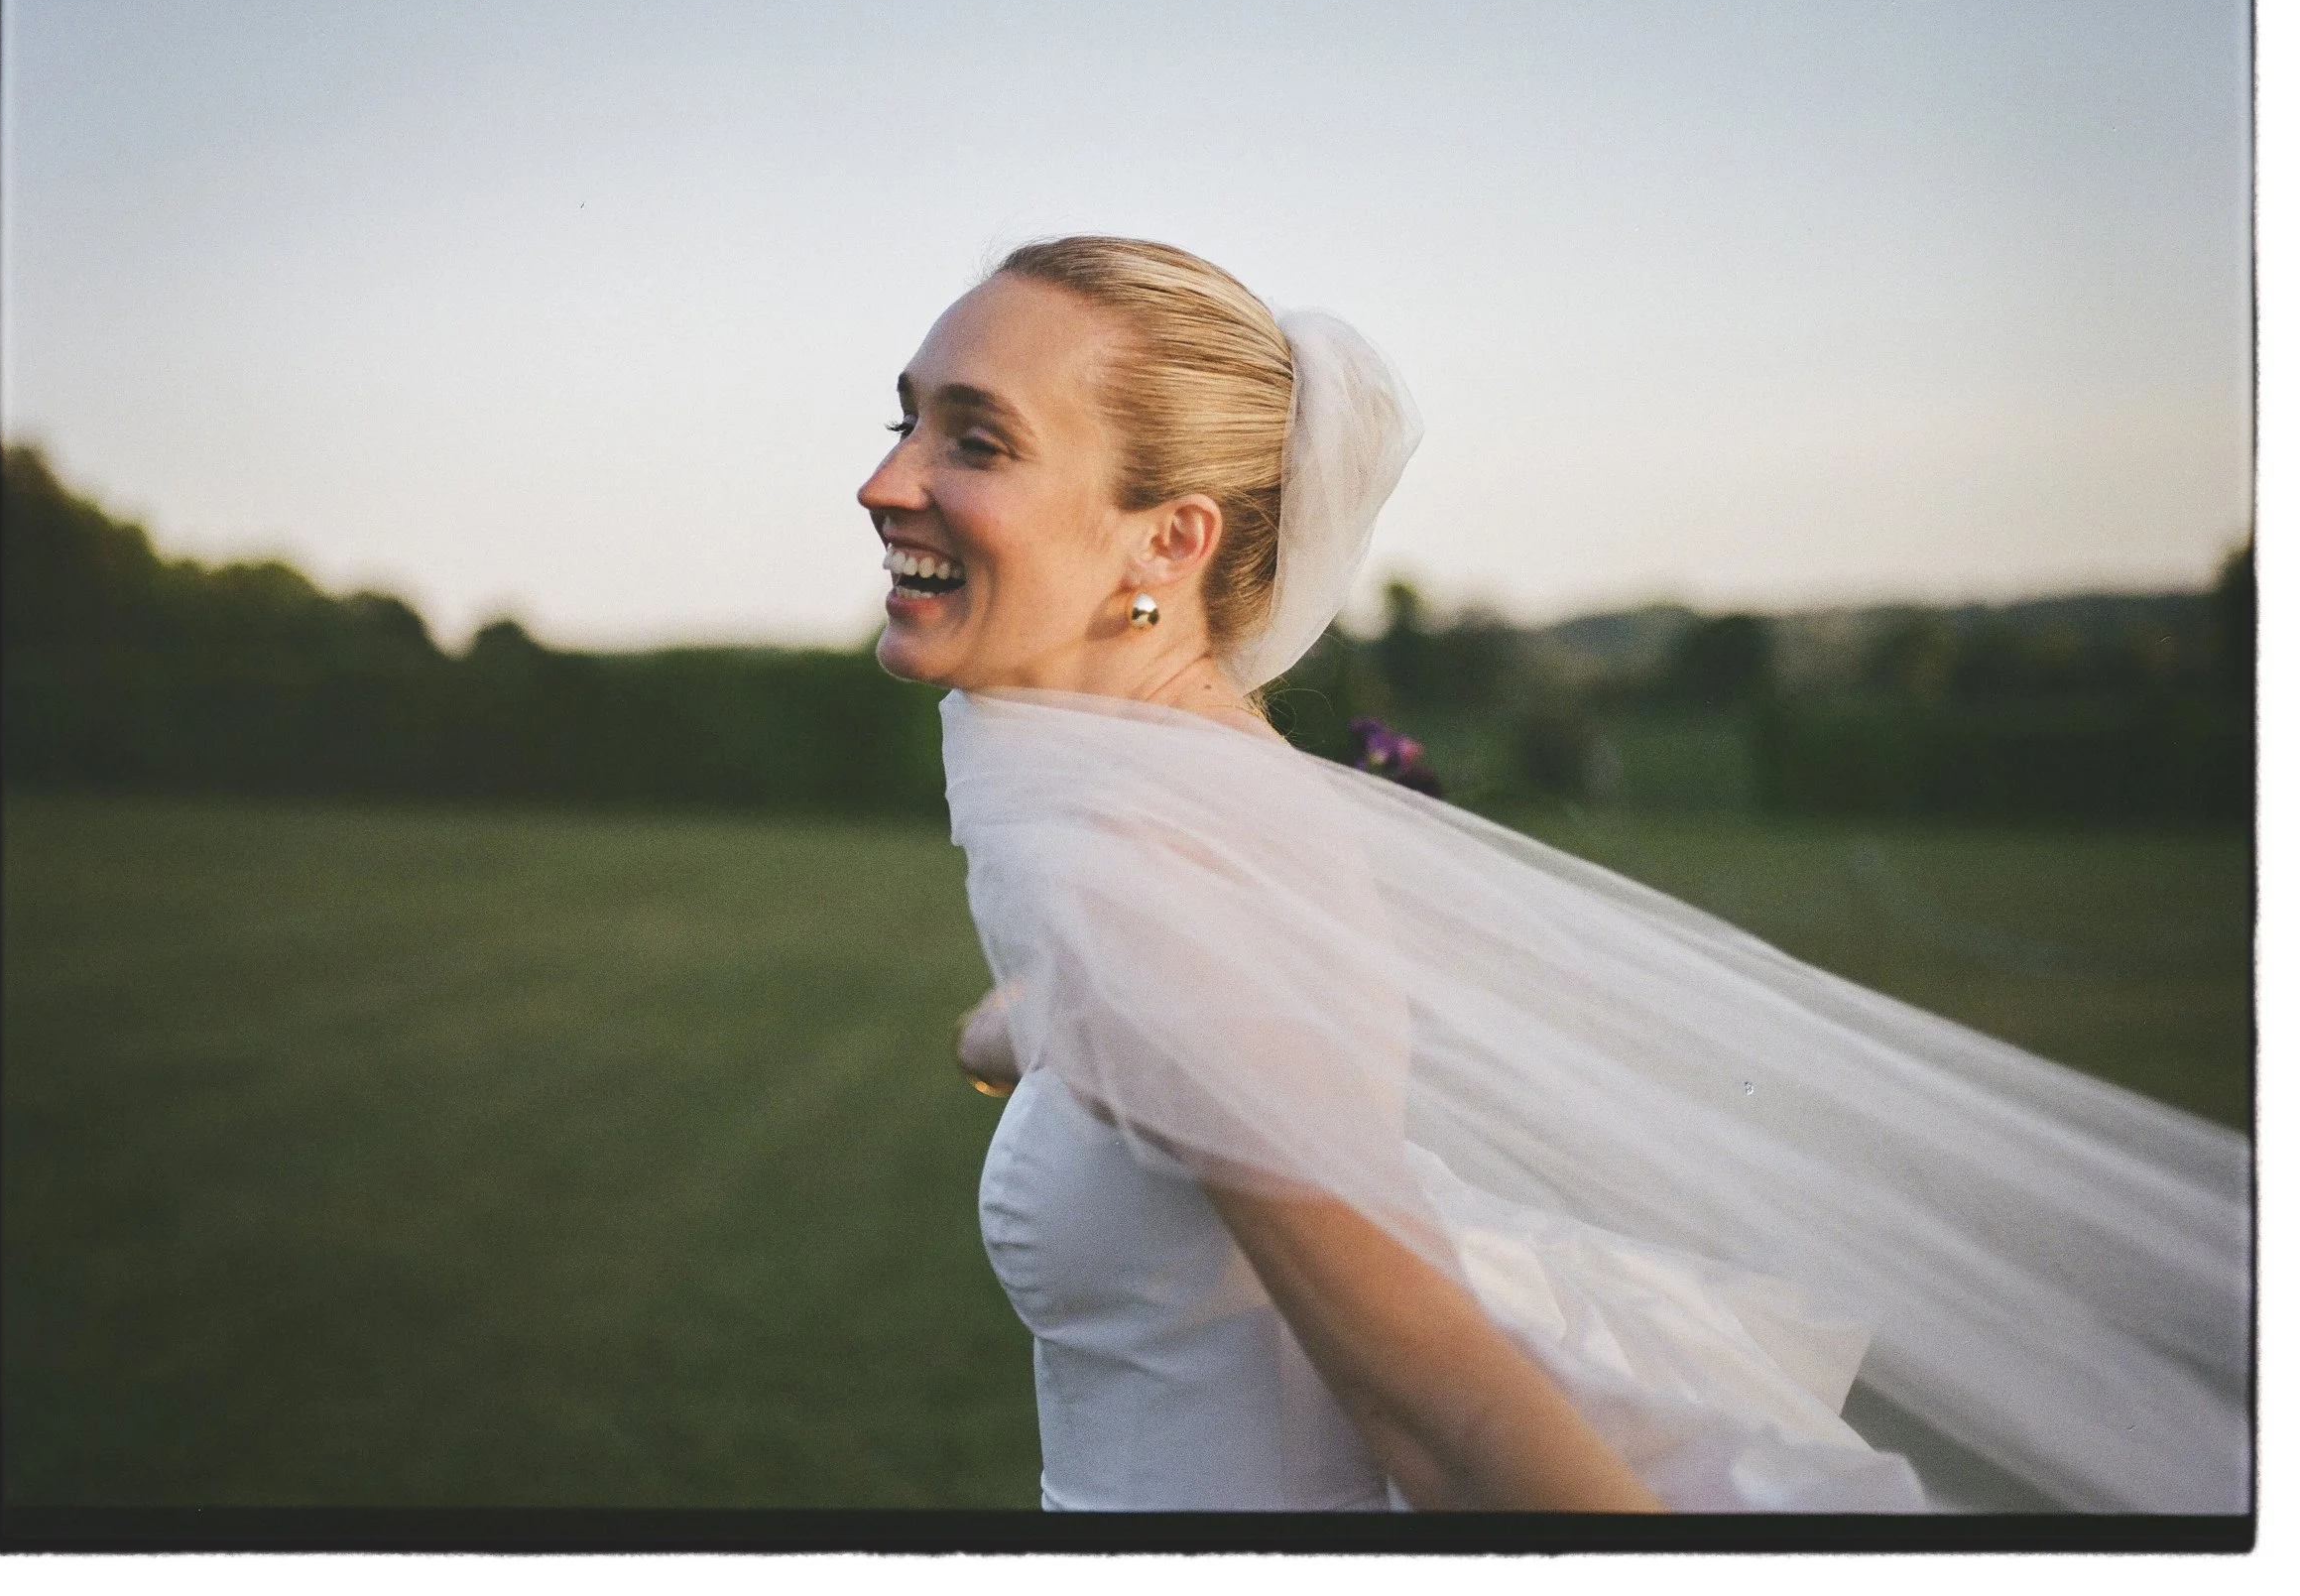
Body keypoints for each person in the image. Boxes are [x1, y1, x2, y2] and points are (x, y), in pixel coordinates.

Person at [854, 236, 2250, 1515]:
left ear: (1170, 538)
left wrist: (1092, 996)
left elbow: (1451, 1416)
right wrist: (1027, 1020)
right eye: (905, 416)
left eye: (975, 439)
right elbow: (1151, 1026)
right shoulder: (1176, 826)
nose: (886, 479)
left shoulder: (1175, 881)